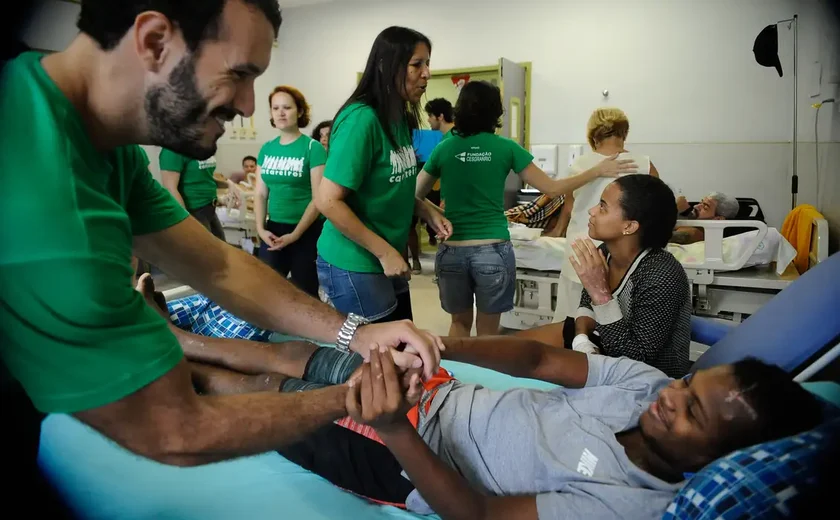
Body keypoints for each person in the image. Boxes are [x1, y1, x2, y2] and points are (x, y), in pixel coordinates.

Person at [0, 0, 444, 474]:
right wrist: (356, 398)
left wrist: (356, 333)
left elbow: (220, 266)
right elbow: (176, 431)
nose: (250, 105)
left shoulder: (92, 137)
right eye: (239, 74)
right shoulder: (49, 204)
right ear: (153, 42)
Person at [189, 332, 824, 520]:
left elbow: (482, 518)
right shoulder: (645, 385)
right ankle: (172, 335)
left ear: (713, 462)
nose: (669, 399)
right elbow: (540, 359)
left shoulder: (626, 505)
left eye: (691, 412)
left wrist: (396, 430)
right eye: (687, 384)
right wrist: (441, 343)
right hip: (438, 391)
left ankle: (168, 376)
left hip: (408, 455)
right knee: (294, 353)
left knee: (271, 397)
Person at [415, 81, 636, 337]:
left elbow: (413, 195)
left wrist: (435, 215)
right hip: (492, 250)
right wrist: (597, 170)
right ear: (495, 111)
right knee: (487, 333)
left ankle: (457, 377)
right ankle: (484, 376)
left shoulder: (444, 147)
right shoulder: (506, 148)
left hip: (453, 250)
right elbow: (553, 188)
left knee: (459, 324)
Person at [315, 26, 452, 323]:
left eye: (427, 63)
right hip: (356, 261)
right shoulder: (361, 120)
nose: (427, 73)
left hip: (386, 256)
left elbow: (392, 183)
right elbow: (327, 201)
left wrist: (426, 209)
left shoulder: (399, 116)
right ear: (386, 66)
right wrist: (384, 252)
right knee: (382, 359)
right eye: (417, 64)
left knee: (402, 346)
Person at [516, 175, 691, 377]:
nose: (591, 211)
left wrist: (601, 294)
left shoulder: (662, 273)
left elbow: (637, 359)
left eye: (602, 207)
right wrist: (581, 340)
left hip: (644, 377)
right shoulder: (606, 252)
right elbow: (587, 303)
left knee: (529, 366)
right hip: (603, 344)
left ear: (629, 226)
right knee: (510, 349)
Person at [553, 107, 659, 321]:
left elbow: (568, 208)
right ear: (624, 132)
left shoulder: (580, 165)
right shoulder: (645, 164)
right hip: (626, 255)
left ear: (593, 134)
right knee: (618, 321)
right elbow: (657, 210)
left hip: (581, 252)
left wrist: (556, 232)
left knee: (571, 322)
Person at [254, 85, 326, 297]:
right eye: (275, 108)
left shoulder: (313, 148)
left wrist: (295, 235)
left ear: (300, 111)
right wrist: (260, 229)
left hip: (306, 231)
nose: (281, 113)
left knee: (305, 292)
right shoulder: (266, 149)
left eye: (287, 107)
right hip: (273, 230)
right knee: (269, 291)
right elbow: (260, 193)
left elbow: (318, 199)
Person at [160, 147, 242, 240]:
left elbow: (206, 177)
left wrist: (228, 183)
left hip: (209, 209)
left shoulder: (199, 145)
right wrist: (186, 221)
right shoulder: (173, 150)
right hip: (194, 211)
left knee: (220, 248)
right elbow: (170, 189)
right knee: (206, 251)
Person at [423, 97, 453, 246]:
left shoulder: (451, 140)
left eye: (430, 116)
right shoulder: (447, 138)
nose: (428, 120)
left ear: (440, 117)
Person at [671, 192, 740, 245]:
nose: (696, 206)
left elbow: (661, 237)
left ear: (718, 219)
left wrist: (673, 208)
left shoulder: (694, 234)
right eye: (700, 203)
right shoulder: (688, 227)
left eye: (705, 207)